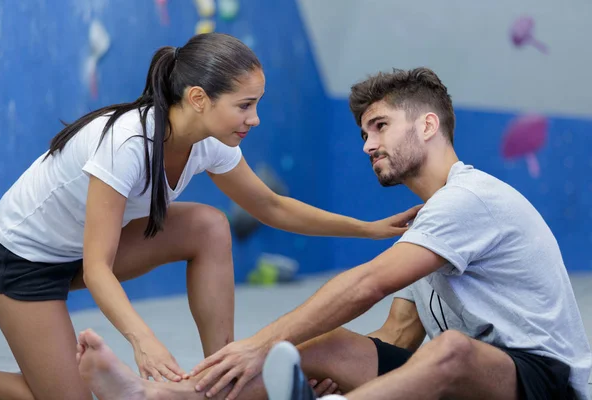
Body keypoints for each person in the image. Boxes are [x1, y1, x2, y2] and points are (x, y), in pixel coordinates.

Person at [73, 67, 592, 400]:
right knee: (330, 347)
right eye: (364, 133)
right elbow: (396, 337)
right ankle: (164, 399)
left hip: (543, 382)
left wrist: (257, 344)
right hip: (472, 382)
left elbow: (368, 283)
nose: (368, 144)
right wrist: (325, 373)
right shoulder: (430, 221)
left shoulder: (468, 200)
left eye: (381, 127)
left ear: (429, 127)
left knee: (450, 349)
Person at [0, 33, 419, 400]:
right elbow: (97, 267)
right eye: (244, 105)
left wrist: (367, 230)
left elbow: (270, 206)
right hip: (21, 262)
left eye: (257, 104)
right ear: (198, 98)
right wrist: (145, 342)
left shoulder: (211, 142)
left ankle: (226, 377)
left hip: (79, 251)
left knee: (208, 225)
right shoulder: (127, 143)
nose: (254, 119)